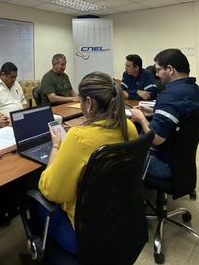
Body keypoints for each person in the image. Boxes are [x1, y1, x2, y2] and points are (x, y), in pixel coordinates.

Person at [36, 71, 139, 254]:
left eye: (81, 101)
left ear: (89, 103)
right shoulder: (128, 127)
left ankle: (38, 251)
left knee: (30, 200)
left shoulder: (78, 138)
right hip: (121, 220)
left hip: (86, 235)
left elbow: (52, 192)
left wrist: (56, 145)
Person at [131, 49, 199, 179]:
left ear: (170, 69)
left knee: (116, 153)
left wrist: (140, 118)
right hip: (181, 164)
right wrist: (153, 111)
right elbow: (180, 114)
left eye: (158, 70)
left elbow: (156, 138)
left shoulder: (170, 95)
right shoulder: (194, 89)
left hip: (163, 163)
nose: (157, 75)